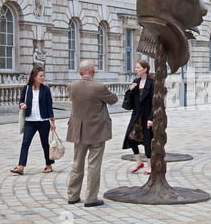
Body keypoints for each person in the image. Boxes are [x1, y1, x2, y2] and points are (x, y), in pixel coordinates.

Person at [66, 60, 118, 207]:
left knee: (77, 164)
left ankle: (73, 195)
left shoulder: (72, 87)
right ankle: (91, 198)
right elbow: (113, 99)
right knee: (94, 165)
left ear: (80, 72)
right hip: (97, 131)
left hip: (79, 132)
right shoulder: (99, 87)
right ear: (93, 71)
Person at [10, 65, 56, 175]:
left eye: (43, 76)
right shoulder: (26, 88)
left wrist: (52, 121)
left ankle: (48, 165)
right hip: (30, 121)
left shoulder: (46, 90)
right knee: (25, 143)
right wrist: (22, 105)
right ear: (34, 77)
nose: (43, 78)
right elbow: (21, 101)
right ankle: (21, 166)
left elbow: (49, 105)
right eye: (41, 76)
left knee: (45, 144)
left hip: (43, 121)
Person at [122, 60, 154, 175]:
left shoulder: (151, 83)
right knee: (130, 138)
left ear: (145, 69)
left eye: (138, 67)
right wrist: (130, 90)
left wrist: (151, 118)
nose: (136, 70)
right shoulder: (136, 81)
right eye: (136, 68)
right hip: (136, 116)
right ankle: (139, 161)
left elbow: (154, 103)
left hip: (147, 117)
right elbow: (129, 103)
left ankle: (149, 165)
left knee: (148, 140)